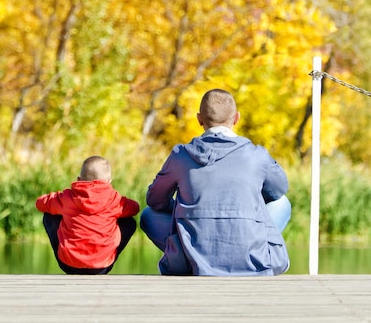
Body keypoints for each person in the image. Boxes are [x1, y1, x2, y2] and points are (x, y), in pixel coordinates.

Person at [140, 89, 291, 276]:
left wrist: (185, 209)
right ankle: (256, 253)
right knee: (282, 203)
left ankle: (191, 258)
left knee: (148, 215)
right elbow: (279, 190)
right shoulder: (257, 155)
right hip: (253, 259)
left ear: (199, 119)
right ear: (236, 118)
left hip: (193, 256)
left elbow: (155, 200)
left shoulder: (181, 156)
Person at [36, 156, 140, 275]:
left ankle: (68, 253)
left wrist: (59, 202)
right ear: (109, 181)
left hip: (68, 265)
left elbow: (40, 203)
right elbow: (135, 208)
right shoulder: (114, 199)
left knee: (49, 216)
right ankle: (107, 255)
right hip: (102, 268)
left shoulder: (67, 197)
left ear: (79, 179)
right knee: (129, 222)